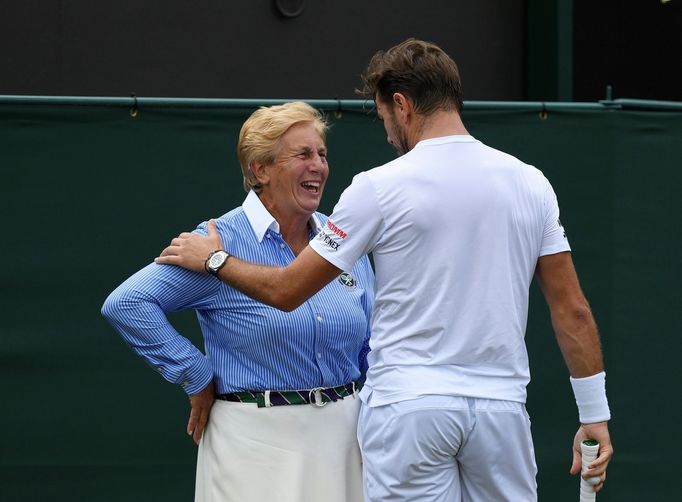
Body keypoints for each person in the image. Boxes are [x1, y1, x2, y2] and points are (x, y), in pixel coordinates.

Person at [154, 39, 614, 502]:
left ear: (402, 105)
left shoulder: (376, 188)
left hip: (408, 412)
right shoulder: (531, 183)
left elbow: (288, 290)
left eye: (385, 119)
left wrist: (214, 260)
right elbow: (572, 310)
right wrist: (594, 415)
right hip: (499, 413)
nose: (389, 135)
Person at [102, 101, 374, 502]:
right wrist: (196, 375)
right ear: (260, 170)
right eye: (303, 154)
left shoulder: (340, 239)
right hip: (254, 447)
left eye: (322, 154)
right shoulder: (217, 239)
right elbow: (127, 304)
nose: (318, 165)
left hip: (345, 441)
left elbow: (370, 341)